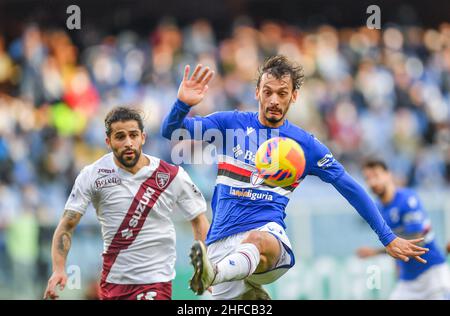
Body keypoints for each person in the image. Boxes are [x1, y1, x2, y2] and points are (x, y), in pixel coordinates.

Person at [161, 55, 429, 300]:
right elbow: (172, 131)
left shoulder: (305, 145)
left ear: (294, 97)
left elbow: (349, 187)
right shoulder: (229, 124)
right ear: (257, 93)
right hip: (220, 245)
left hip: (267, 238)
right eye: (268, 92)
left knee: (257, 239)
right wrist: (182, 104)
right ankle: (235, 283)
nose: (274, 100)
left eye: (282, 93)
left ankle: (214, 273)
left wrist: (387, 237)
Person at [44, 107, 210, 300]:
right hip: (113, 284)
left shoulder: (172, 175)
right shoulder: (92, 175)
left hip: (156, 281)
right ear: (108, 141)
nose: (128, 143)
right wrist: (58, 269)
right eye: (120, 137)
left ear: (143, 137)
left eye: (133, 135)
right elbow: (67, 225)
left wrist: (205, 266)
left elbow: (199, 220)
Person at [356, 159, 450, 299]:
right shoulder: (378, 210)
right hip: (408, 281)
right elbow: (395, 243)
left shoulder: (408, 199)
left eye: (376, 175)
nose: (372, 182)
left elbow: (416, 241)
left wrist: (375, 252)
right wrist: (397, 269)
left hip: (431, 274)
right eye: (367, 178)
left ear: (388, 174)